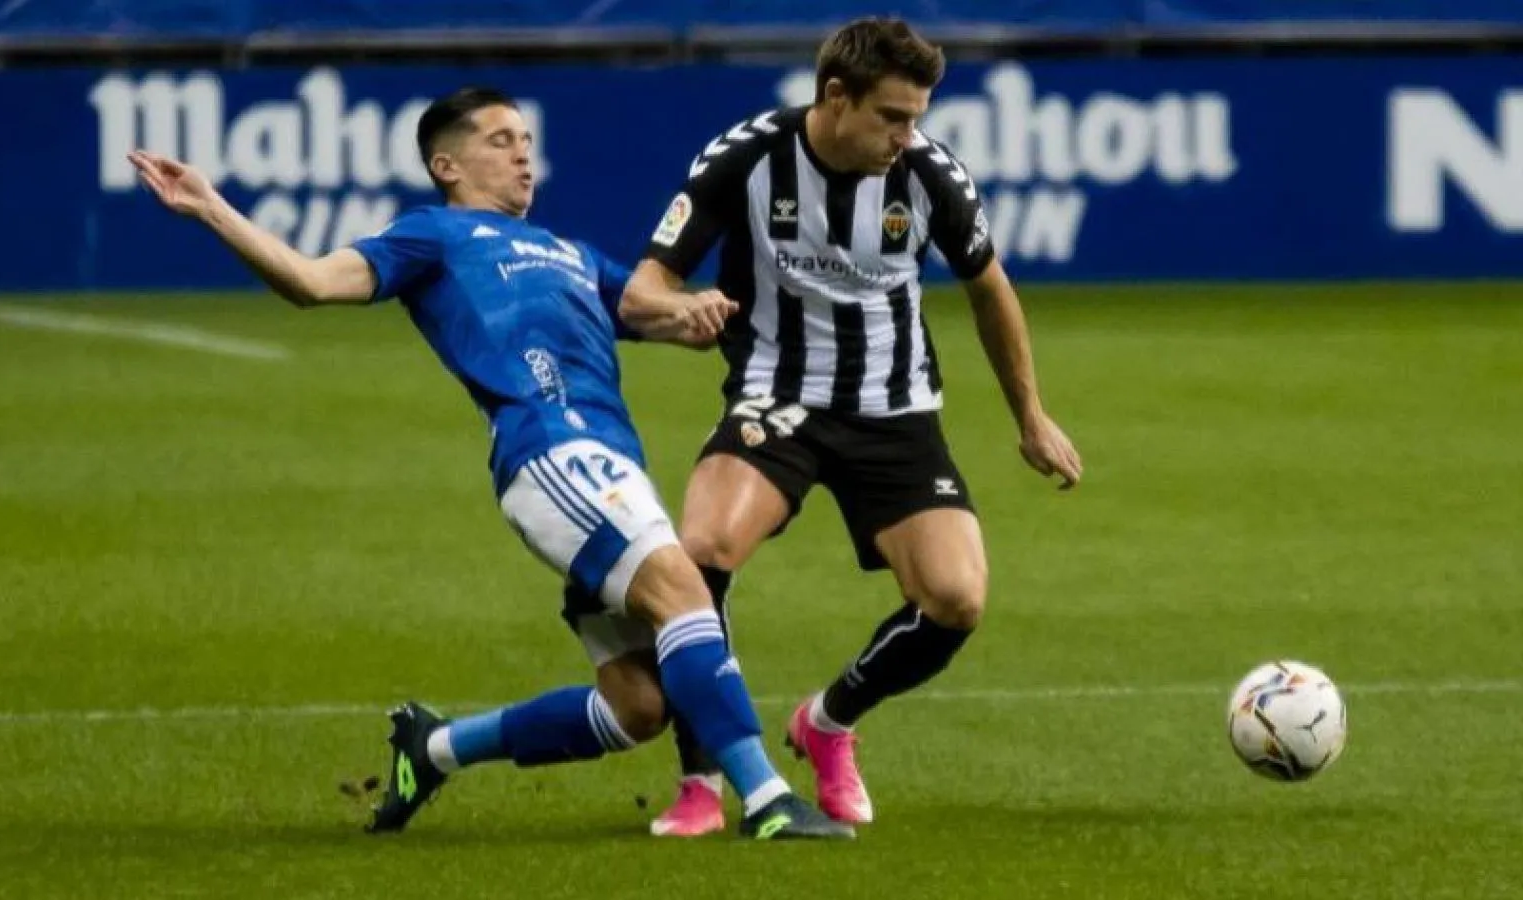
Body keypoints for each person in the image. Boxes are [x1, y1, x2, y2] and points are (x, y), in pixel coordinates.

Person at [128, 86, 853, 841]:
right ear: (447, 163)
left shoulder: (571, 253)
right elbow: (311, 282)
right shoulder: (432, 237)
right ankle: (768, 798)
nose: (522, 154)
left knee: (637, 707)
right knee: (685, 591)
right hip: (550, 453)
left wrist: (692, 313)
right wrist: (211, 207)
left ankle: (436, 748)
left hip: (609, 465)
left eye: (527, 142)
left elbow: (649, 309)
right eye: (501, 140)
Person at [630, 18, 1084, 837]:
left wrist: (1031, 416)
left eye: (917, 118)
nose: (908, 137)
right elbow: (644, 287)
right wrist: (681, 305)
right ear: (836, 98)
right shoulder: (744, 158)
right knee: (700, 554)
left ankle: (828, 723)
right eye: (893, 118)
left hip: (896, 410)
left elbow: (990, 289)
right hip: (779, 398)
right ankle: (703, 780)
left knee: (956, 599)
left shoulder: (931, 175)